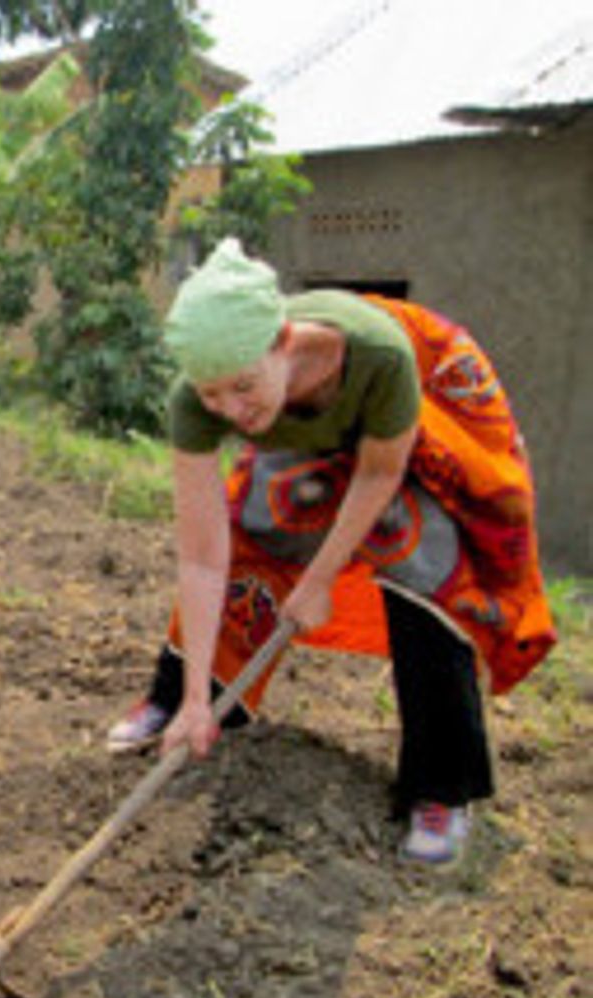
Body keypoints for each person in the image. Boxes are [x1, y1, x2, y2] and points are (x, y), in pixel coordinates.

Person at [106, 238, 556, 865]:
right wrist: (191, 701)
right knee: (255, 526)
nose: (230, 410)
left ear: (283, 342)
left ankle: (441, 787)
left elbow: (377, 476)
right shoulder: (201, 399)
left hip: (425, 415)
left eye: (242, 387)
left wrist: (317, 580)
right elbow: (205, 554)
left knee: (424, 557)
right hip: (311, 425)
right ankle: (194, 700)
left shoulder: (377, 357)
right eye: (213, 396)